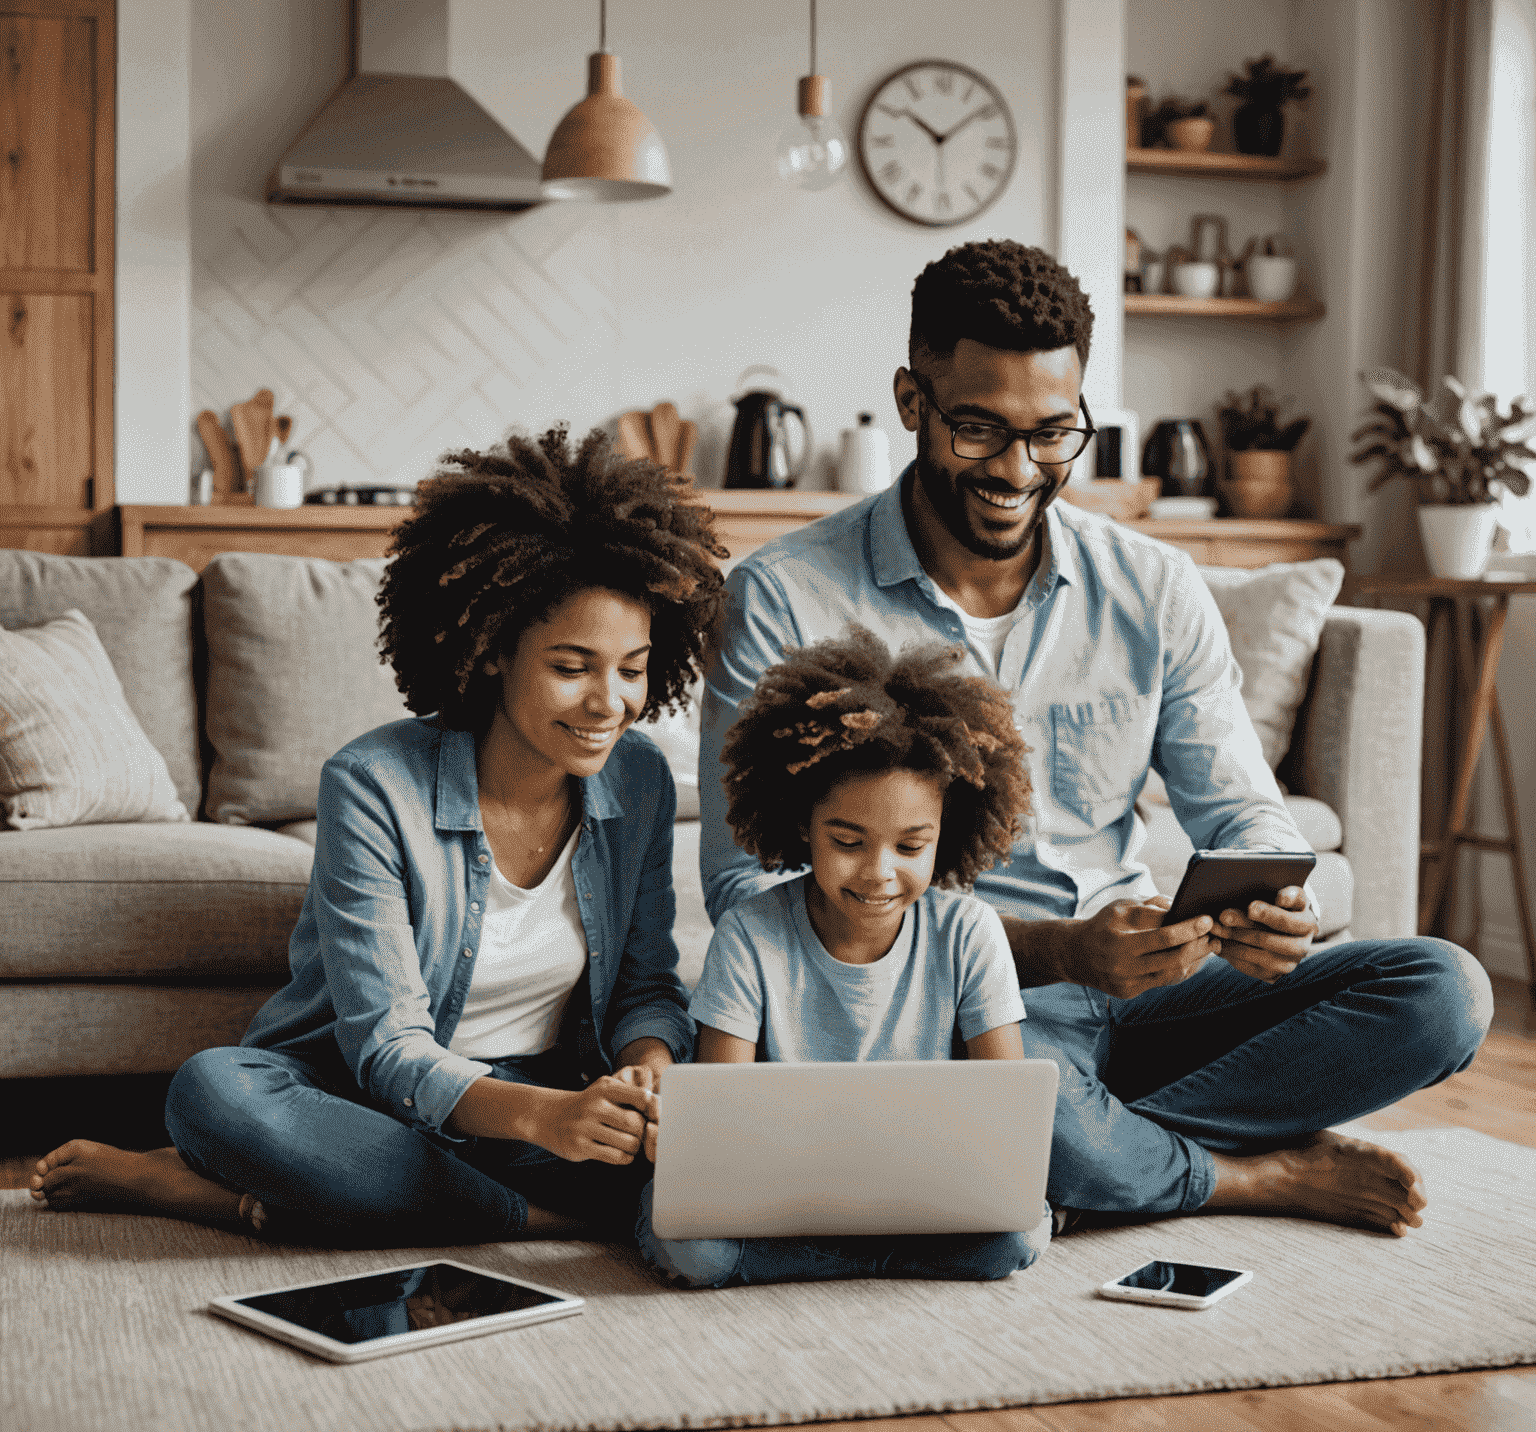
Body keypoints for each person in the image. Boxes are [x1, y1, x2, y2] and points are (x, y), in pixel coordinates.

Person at [700, 239, 1494, 1238]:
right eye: (979, 429)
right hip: (956, 1012)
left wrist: (1267, 898)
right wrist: (1055, 952)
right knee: (1022, 1092)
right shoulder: (785, 596)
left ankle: (1080, 1161)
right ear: (913, 401)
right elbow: (745, 890)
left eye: (1053, 434)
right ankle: (1240, 1173)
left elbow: (1240, 806)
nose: (1018, 471)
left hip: (1149, 983)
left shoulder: (1153, 587)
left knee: (1443, 992)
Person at [30, 427, 725, 1243]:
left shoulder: (636, 780)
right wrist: (548, 1121)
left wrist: (647, 1077)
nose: (610, 702)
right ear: (495, 648)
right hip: (359, 1099)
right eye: (572, 667)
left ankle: (279, 1198)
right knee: (212, 1092)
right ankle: (529, 1222)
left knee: (703, 1163)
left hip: (537, 1097)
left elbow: (646, 985)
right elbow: (387, 1047)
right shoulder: (371, 784)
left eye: (633, 668)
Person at [639, 627, 1050, 1287]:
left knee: (1019, 1235)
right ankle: (882, 1260)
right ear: (803, 823)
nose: (879, 874)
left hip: (919, 1197)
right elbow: (720, 1133)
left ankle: (829, 1261)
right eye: (848, 840)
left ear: (948, 835)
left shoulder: (970, 932)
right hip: (771, 1197)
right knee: (697, 1248)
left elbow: (1008, 1124)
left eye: (911, 846)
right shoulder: (750, 934)